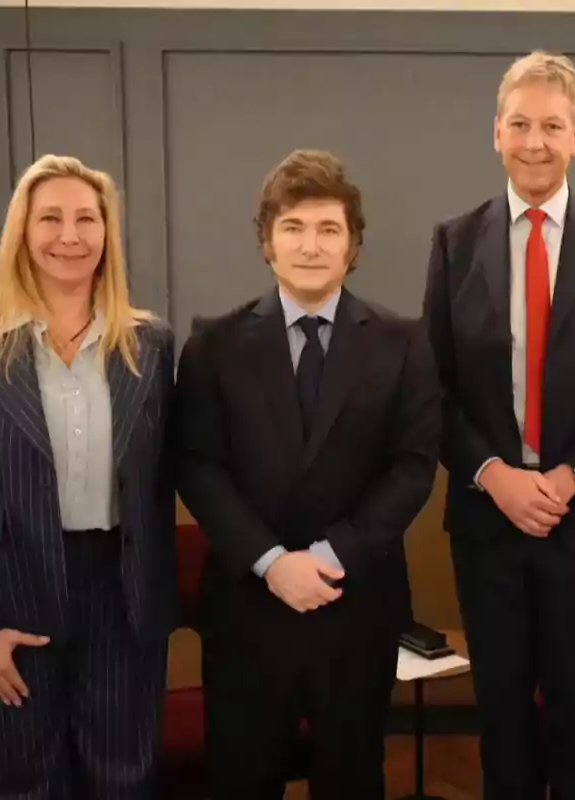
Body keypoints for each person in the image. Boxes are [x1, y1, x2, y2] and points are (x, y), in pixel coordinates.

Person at [422, 50, 575, 799]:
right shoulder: (453, 241)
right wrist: (495, 478)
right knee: (499, 718)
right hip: (486, 524)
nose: (535, 141)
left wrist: (566, 477)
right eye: (521, 124)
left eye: (552, 126)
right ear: (496, 132)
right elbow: (431, 390)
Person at [174, 149, 440, 800]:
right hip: (247, 609)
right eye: (293, 228)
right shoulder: (213, 343)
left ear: (353, 245)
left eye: (328, 230)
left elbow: (411, 468)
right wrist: (272, 561)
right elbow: (198, 466)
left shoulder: (404, 342)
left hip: (357, 606)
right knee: (241, 776)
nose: (311, 246)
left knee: (351, 778)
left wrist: (327, 557)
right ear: (266, 241)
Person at [0, 154, 175, 798]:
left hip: (119, 593)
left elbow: (168, 476)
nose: (70, 235)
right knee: (17, 782)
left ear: (107, 234)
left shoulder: (149, 344)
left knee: (122, 779)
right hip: (6, 594)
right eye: (51, 218)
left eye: (87, 219)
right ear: (22, 233)